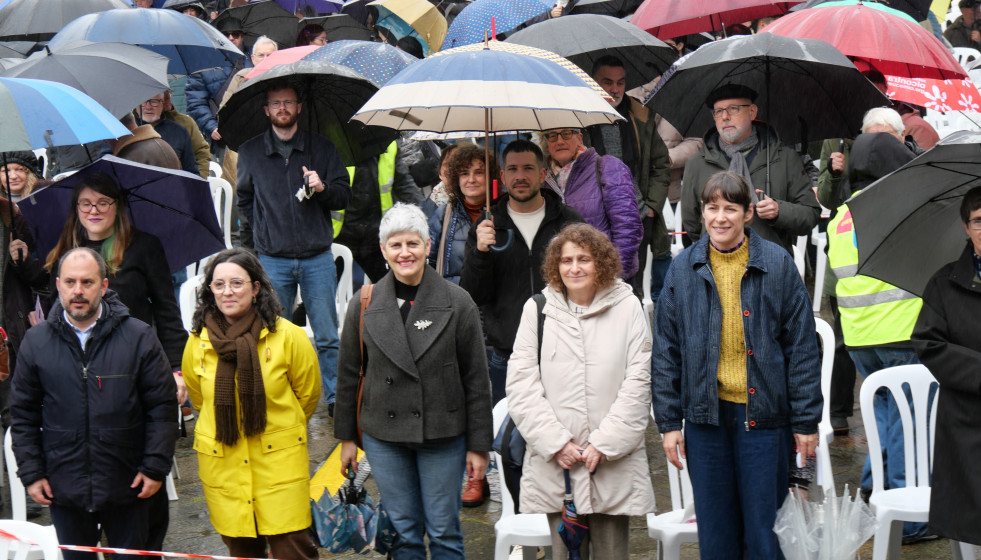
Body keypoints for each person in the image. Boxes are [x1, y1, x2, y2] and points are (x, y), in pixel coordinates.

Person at [652, 171, 821, 559]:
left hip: (763, 418)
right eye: (713, 208)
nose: (720, 217)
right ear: (702, 212)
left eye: (731, 208)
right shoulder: (683, 270)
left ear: (748, 214)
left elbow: (801, 349)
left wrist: (806, 422)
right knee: (716, 532)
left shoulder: (777, 264)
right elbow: (666, 351)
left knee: (765, 532)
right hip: (704, 420)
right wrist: (668, 422)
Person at [335, 203, 492, 560]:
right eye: (396, 245)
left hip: (443, 433)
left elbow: (477, 381)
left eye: (412, 244)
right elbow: (348, 374)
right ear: (383, 250)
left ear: (427, 245)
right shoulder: (364, 303)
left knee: (444, 531)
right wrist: (346, 437)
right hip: (384, 438)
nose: (405, 253)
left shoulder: (458, 302)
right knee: (403, 533)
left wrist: (479, 446)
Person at [11, 247, 177, 560]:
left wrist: (155, 467)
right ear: (58, 284)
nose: (77, 291)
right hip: (66, 491)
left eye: (87, 283)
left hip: (129, 487)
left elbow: (163, 409)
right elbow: (23, 415)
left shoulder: (139, 336)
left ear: (103, 286)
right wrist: (32, 473)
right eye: (70, 282)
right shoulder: (36, 342)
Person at [507, 223, 654, 559]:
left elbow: (639, 382)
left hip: (612, 464)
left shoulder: (627, 307)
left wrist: (603, 444)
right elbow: (521, 384)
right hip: (558, 465)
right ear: (555, 266)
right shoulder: (538, 309)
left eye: (584, 259)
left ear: (600, 262)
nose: (574, 267)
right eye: (566, 260)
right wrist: (557, 443)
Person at [826, 109, 931, 542]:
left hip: (860, 336)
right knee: (911, 423)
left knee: (884, 416)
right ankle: (909, 521)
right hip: (903, 332)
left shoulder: (842, 215)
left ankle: (875, 487)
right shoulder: (903, 208)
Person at [182, 248, 321, 560]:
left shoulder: (288, 337)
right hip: (225, 467)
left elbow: (307, 397)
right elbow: (199, 398)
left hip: (279, 465)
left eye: (237, 283)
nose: (227, 292)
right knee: (242, 554)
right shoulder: (198, 342)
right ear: (209, 291)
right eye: (219, 285)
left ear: (256, 288)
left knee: (294, 551)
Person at [236, 81, 350, 414]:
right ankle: (280, 396)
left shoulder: (322, 148)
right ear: (266, 110)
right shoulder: (251, 152)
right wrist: (260, 234)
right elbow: (244, 199)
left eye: (288, 102)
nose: (282, 108)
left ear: (299, 107)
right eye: (275, 103)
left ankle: (334, 399)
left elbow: (344, 195)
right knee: (272, 336)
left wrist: (322, 186)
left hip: (317, 257)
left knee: (328, 336)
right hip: (273, 259)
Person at [459, 139, 582, 405]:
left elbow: (588, 284)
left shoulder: (568, 221)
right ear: (502, 176)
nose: (520, 176)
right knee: (508, 442)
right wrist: (480, 252)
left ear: (541, 174)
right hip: (508, 355)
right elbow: (472, 296)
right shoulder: (487, 225)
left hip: (563, 353)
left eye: (528, 168)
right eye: (512, 169)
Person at [913, 186, 981, 545]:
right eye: (979, 220)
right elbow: (929, 343)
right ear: (966, 228)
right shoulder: (945, 282)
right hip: (966, 425)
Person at [682, 84, 820, 254]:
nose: (725, 117)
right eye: (718, 111)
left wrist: (779, 211)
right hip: (716, 267)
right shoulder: (696, 164)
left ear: (752, 112)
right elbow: (692, 225)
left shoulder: (784, 158)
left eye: (733, 109)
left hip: (771, 265)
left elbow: (810, 217)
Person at [586, 55, 671, 295]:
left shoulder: (640, 115)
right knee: (594, 291)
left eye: (620, 82)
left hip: (637, 217)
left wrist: (651, 207)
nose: (615, 89)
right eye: (608, 82)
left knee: (632, 292)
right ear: (593, 82)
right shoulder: (580, 117)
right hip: (594, 219)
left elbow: (660, 163)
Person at [542, 128, 643, 280]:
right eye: (552, 136)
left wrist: (614, 275)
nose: (560, 141)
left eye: (566, 134)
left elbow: (627, 227)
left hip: (605, 277)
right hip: (565, 280)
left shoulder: (608, 167)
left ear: (579, 138)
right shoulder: (542, 179)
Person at [333, 140, 424, 283]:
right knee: (320, 295)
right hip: (340, 236)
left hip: (376, 236)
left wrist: (427, 213)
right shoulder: (332, 142)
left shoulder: (389, 144)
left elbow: (403, 183)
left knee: (395, 290)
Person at [427, 144, 497, 284]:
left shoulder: (503, 213)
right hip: (454, 302)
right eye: (465, 173)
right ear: (456, 179)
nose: (471, 179)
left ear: (490, 176)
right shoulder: (444, 215)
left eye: (478, 172)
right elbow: (428, 263)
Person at [139, 93, 200, 176]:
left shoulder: (179, 131)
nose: (148, 107)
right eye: (143, 101)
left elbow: (191, 173)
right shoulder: (126, 131)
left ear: (163, 103)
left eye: (154, 102)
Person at [426, 143, 461, 209]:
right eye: (446, 164)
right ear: (440, 171)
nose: (449, 169)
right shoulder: (430, 203)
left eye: (455, 164)